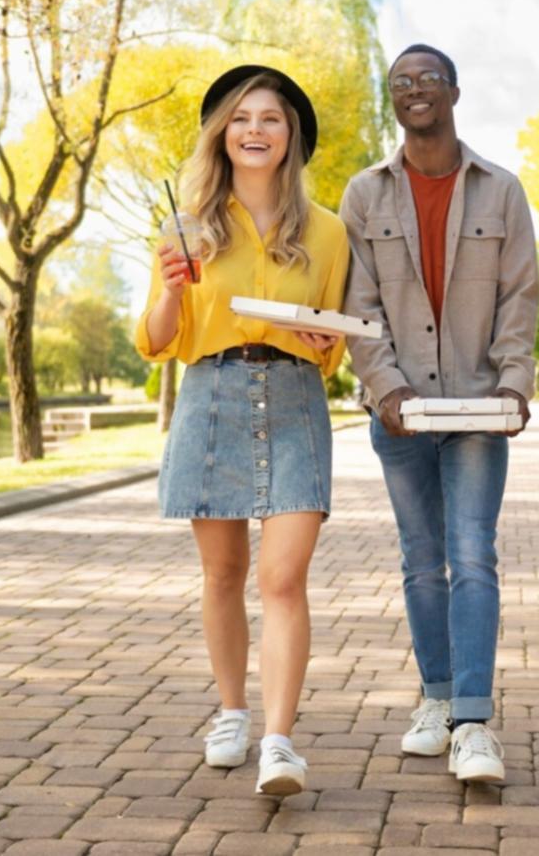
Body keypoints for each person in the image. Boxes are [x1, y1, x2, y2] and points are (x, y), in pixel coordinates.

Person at [134, 64, 350, 797]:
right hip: (212, 394)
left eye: (271, 119)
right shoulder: (188, 226)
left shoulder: (327, 232)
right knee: (223, 573)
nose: (255, 130)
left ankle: (280, 742)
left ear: (291, 137)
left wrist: (326, 340)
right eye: (241, 118)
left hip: (293, 399)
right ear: (222, 134)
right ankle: (232, 712)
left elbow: (332, 340)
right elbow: (156, 340)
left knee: (282, 577)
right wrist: (171, 288)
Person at [340, 44, 539, 783]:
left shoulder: (501, 190)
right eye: (401, 81)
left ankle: (474, 722)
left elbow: (520, 296)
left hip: (478, 409)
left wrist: (514, 384)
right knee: (421, 560)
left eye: (428, 78)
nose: (414, 89)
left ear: (454, 92)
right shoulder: (364, 194)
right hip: (400, 412)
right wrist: (385, 386)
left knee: (472, 555)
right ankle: (436, 696)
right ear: (392, 99)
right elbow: (357, 304)